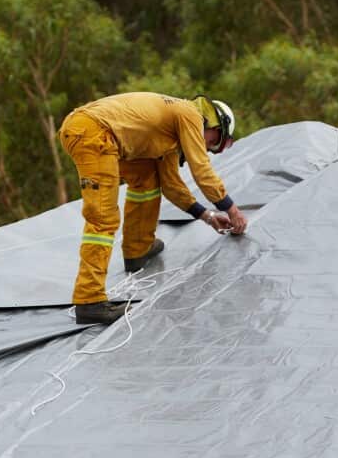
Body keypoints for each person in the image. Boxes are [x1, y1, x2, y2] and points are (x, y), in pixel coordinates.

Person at [60, 92, 250, 325]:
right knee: (103, 218)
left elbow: (171, 186)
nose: (210, 149)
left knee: (148, 179)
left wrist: (208, 216)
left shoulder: (169, 133)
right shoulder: (189, 114)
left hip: (96, 133)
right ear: (214, 123)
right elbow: (202, 170)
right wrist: (232, 209)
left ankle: (137, 249)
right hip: (91, 132)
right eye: (215, 142)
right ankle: (89, 300)